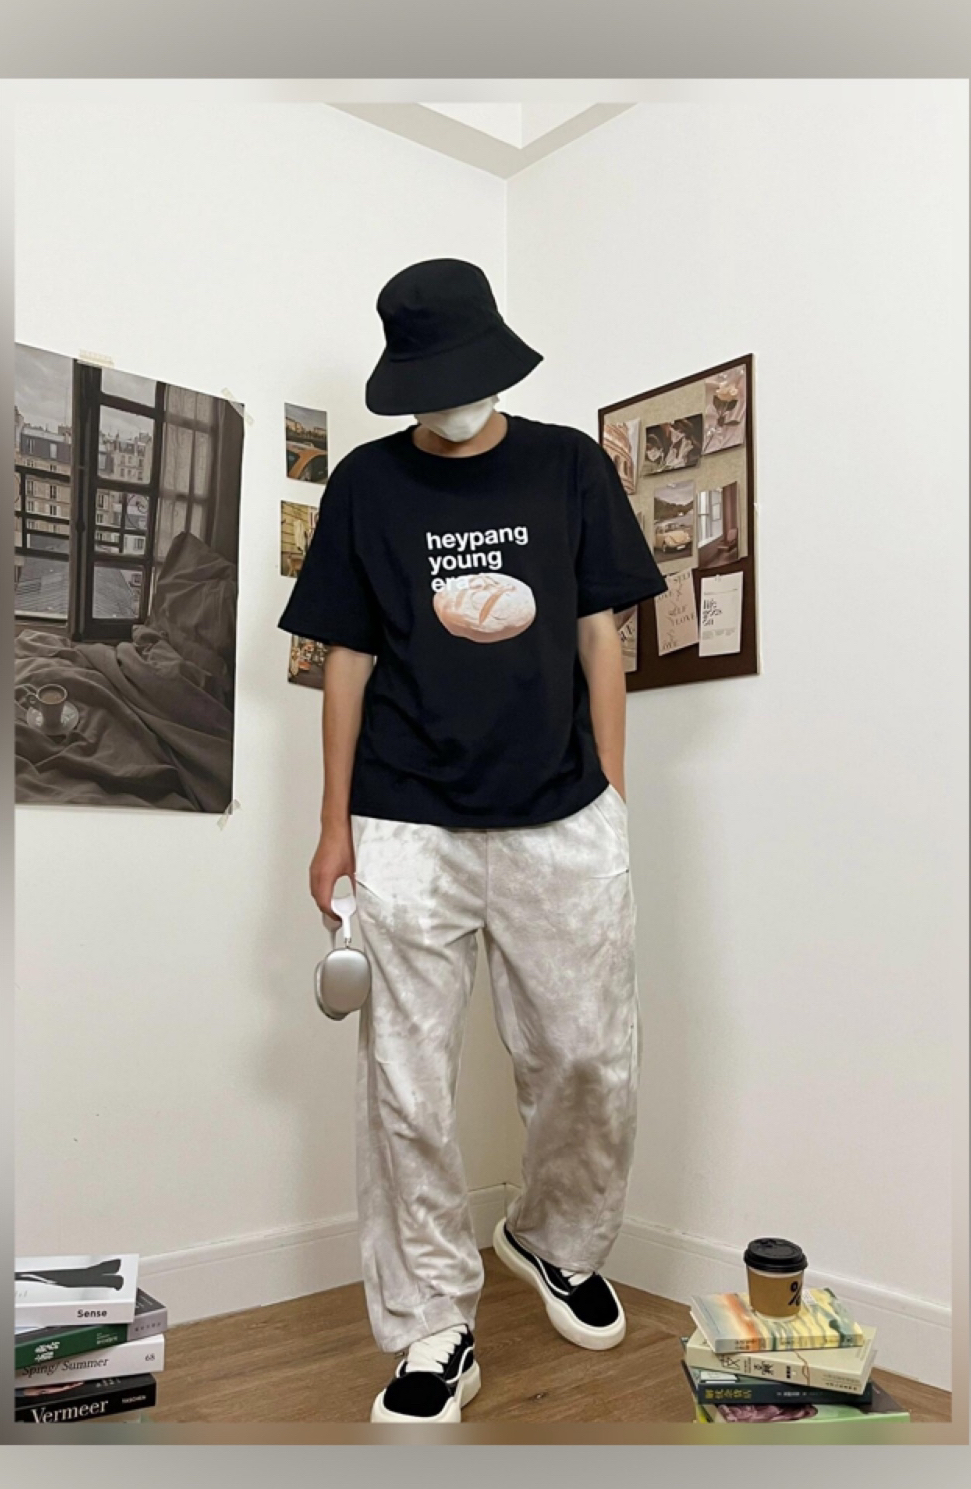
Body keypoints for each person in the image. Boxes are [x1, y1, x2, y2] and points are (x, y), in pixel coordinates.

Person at [278, 258, 668, 1424]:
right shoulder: (365, 483)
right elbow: (346, 661)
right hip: (404, 816)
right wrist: (332, 825)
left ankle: (552, 1236)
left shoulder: (569, 466)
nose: (448, 401)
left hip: (562, 809)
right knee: (405, 1085)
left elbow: (600, 634)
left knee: (590, 1056)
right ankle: (432, 1323)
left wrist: (610, 787)